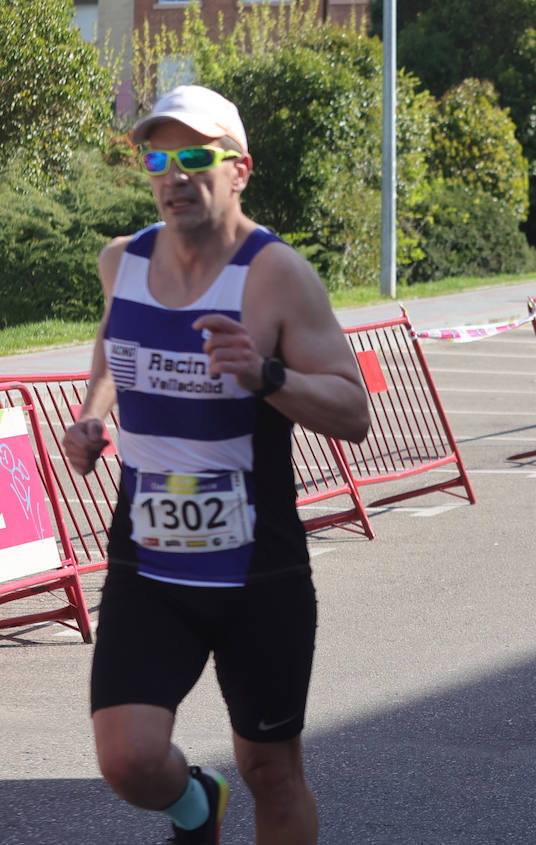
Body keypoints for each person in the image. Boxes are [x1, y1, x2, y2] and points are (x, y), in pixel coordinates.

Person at [61, 85, 371, 844]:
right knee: (127, 758)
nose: (173, 174)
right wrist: (94, 413)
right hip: (149, 557)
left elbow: (354, 411)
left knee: (271, 770)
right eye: (156, 157)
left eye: (194, 156)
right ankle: (197, 807)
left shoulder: (276, 275)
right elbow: (114, 341)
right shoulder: (121, 261)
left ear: (239, 169)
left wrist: (267, 376)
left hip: (255, 569)